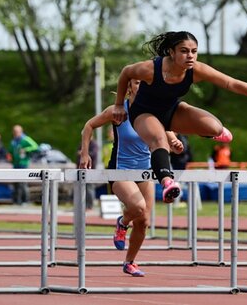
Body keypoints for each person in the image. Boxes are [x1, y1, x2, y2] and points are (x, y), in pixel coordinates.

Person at [112, 31, 247, 203]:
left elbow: (232, 83)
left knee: (215, 127)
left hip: (171, 110)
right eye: (184, 51)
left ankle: (209, 131)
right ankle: (167, 182)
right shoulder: (151, 69)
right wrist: (119, 105)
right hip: (144, 113)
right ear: (171, 52)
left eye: (194, 51)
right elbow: (126, 73)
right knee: (160, 140)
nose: (190, 56)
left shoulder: (196, 70)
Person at [79, 78, 184, 277]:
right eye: (136, 83)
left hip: (145, 171)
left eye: (145, 84)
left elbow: (167, 135)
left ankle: (130, 262)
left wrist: (175, 143)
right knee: (137, 207)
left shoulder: (154, 113)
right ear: (129, 88)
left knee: (144, 221)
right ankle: (122, 222)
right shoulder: (118, 111)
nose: (141, 87)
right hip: (120, 171)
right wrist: (85, 153)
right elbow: (88, 126)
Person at [8, 125, 39, 205]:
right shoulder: (14, 141)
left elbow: (35, 146)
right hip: (15, 164)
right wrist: (9, 155)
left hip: (23, 163)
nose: (15, 133)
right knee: (16, 183)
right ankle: (17, 201)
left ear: (21, 131)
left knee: (23, 183)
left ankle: (25, 200)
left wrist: (26, 149)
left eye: (17, 131)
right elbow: (11, 151)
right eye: (14, 131)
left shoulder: (25, 139)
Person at [76, 138, 98, 209]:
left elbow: (93, 154)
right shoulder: (82, 144)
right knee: (82, 188)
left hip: (90, 169)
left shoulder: (93, 144)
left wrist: (84, 153)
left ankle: (90, 206)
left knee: (89, 188)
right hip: (81, 170)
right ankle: (83, 205)